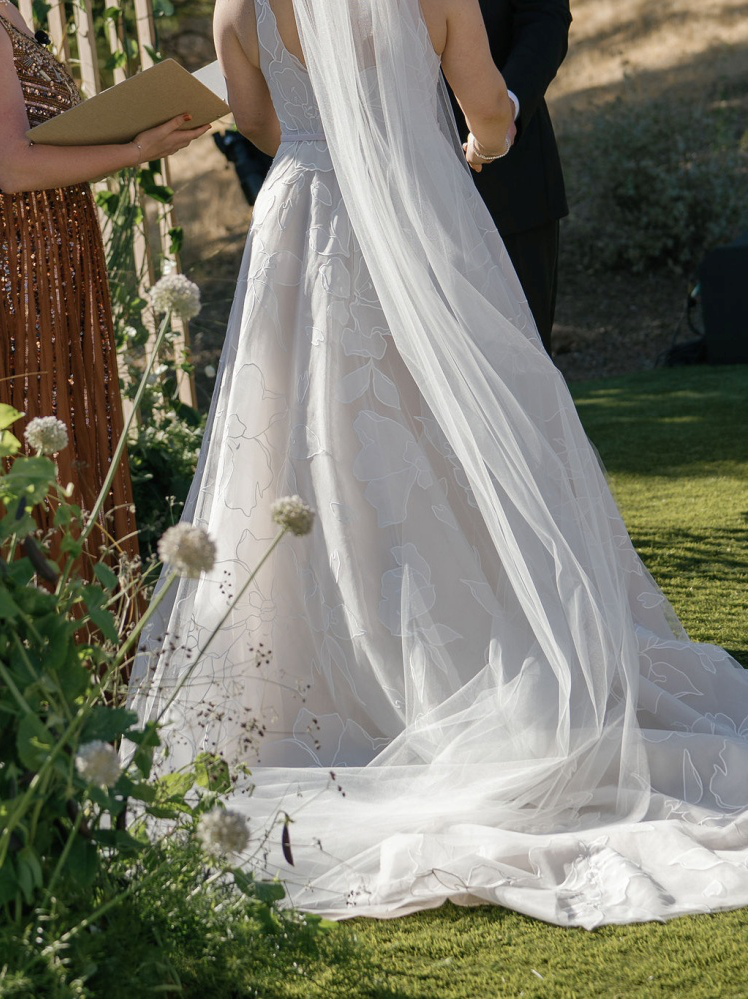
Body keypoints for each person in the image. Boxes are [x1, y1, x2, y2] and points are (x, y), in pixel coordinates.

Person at [130, 0, 748, 929]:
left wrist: (318, 128)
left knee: (303, 447)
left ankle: (323, 675)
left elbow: (255, 119)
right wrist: (473, 147)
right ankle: (472, 662)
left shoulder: (240, 0)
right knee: (463, 438)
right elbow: (489, 108)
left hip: (303, 214)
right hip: (418, 202)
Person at [0, 0, 208, 578]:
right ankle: (45, 626)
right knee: (35, 435)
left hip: (54, 256)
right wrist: (136, 150)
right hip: (21, 265)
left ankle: (75, 616)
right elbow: (12, 167)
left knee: (60, 432)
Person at [451, 0, 571, 353]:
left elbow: (544, 18)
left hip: (509, 189)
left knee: (523, 369)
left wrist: (503, 110)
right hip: (385, 191)